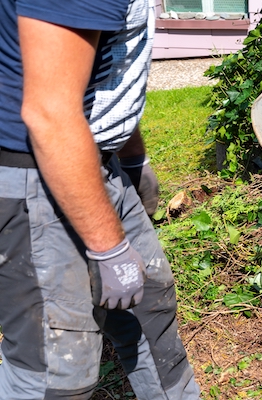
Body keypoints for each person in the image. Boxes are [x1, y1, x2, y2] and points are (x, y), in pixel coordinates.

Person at [0, 0, 201, 398]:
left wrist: (132, 156)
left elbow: (107, 74)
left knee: (150, 311)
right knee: (56, 373)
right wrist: (108, 248)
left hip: (90, 160)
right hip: (36, 175)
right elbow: (49, 113)